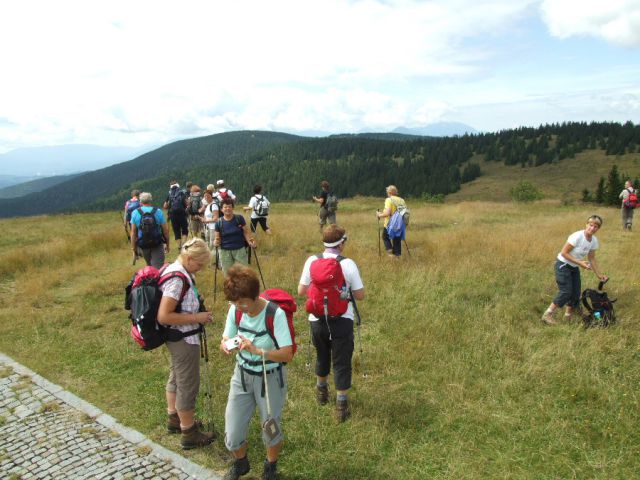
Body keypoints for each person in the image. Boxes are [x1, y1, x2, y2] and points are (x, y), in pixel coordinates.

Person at [220, 265, 293, 480]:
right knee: (232, 434)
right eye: (234, 302)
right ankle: (241, 462)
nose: (238, 307)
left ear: (255, 296)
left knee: (270, 428)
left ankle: (270, 468)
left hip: (269, 378)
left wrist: (258, 351)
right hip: (241, 376)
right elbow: (225, 339)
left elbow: (287, 354)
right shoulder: (235, 310)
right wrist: (226, 346)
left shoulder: (274, 314)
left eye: (242, 302)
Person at [297, 225, 365, 422]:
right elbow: (360, 295)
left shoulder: (312, 260)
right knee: (342, 361)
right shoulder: (348, 264)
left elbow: (301, 291)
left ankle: (321, 392)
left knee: (322, 354)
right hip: (342, 319)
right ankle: (341, 405)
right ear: (341, 244)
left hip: (317, 319)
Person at [157, 238, 216, 449]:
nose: (200, 269)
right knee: (187, 384)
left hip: (175, 338)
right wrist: (197, 318)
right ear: (190, 258)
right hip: (183, 339)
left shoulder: (176, 270)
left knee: (176, 377)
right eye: (199, 265)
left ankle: (174, 418)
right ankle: (189, 432)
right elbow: (164, 315)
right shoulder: (178, 279)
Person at [541, 215, 608, 325]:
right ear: (586, 224)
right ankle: (547, 314)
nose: (592, 228)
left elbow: (591, 258)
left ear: (598, 229)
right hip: (563, 265)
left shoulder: (594, 241)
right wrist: (580, 263)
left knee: (576, 293)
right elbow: (564, 253)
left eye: (596, 226)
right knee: (566, 291)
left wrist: (599, 275)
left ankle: (568, 317)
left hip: (574, 267)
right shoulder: (577, 236)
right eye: (591, 225)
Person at [213, 198, 257, 276]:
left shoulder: (239, 218)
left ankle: (244, 287)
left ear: (233, 208)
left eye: (229, 206)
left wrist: (250, 242)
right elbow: (217, 237)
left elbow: (246, 232)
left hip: (239, 249)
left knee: (244, 272)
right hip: (224, 251)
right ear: (221, 209)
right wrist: (216, 242)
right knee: (227, 273)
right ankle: (231, 287)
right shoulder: (219, 222)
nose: (227, 209)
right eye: (225, 207)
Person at [130, 192, 170, 269]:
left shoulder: (135, 213)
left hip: (143, 244)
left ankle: (151, 277)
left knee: (149, 266)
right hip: (157, 243)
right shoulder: (158, 212)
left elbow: (133, 233)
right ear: (151, 200)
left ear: (140, 202)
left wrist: (134, 248)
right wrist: (167, 245)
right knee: (158, 267)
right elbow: (166, 231)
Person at [376, 185, 407, 258]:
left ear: (389, 192)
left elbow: (387, 213)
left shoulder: (389, 200)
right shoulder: (402, 200)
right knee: (397, 240)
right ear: (396, 192)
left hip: (390, 224)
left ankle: (390, 252)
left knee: (385, 237)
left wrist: (379, 215)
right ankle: (397, 257)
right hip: (400, 224)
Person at [164, 181, 189, 249]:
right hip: (182, 213)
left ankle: (179, 246)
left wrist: (170, 206)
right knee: (184, 229)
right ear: (178, 185)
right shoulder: (182, 192)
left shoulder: (169, 193)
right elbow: (187, 203)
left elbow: (165, 206)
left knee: (176, 230)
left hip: (172, 214)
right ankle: (184, 245)